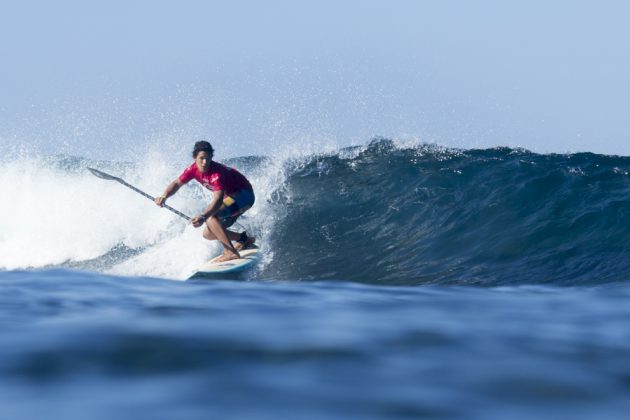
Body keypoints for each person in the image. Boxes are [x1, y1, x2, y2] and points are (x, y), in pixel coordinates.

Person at [155, 141, 256, 262]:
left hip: (244, 196)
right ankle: (243, 239)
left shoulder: (217, 174)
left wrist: (203, 216)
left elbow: (218, 200)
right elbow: (177, 183)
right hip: (231, 198)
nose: (204, 162)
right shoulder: (192, 169)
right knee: (208, 233)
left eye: (208, 159)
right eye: (201, 158)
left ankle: (230, 252)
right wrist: (164, 196)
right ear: (195, 158)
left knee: (212, 217)